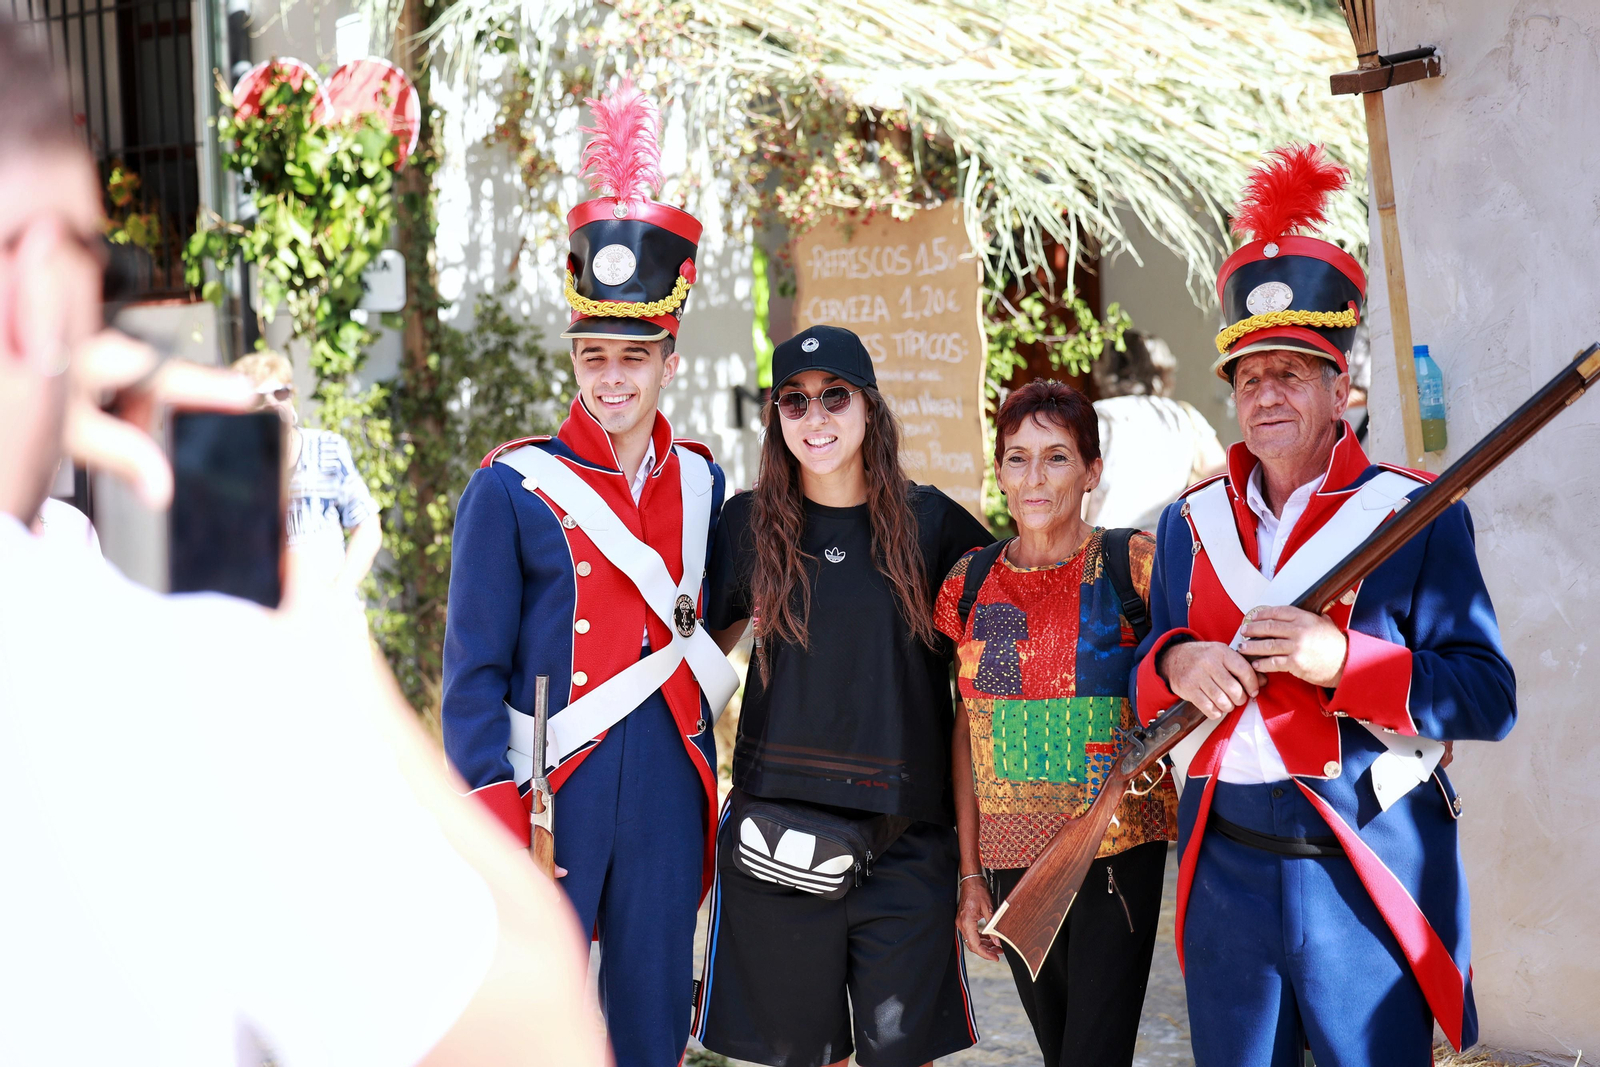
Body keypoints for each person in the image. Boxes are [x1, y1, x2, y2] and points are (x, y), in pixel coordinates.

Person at [0, 20, 604, 1066]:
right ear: (45, 280)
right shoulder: (144, 676)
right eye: (103, 263)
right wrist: (310, 627)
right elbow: (537, 1020)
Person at [1132, 144, 1515, 1067]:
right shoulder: (1189, 522)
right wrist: (1179, 659)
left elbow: (1486, 694)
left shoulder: (1415, 514)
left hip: (1364, 866)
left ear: (1339, 389)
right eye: (1250, 375)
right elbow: (1151, 658)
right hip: (1225, 866)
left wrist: (1341, 662)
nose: (1267, 393)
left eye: (1292, 373)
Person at [440, 78, 737, 1067]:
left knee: (651, 1016)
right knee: (544, 1020)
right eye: (593, 355)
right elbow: (472, 674)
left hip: (666, 775)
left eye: (632, 358)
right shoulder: (513, 485)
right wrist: (490, 818)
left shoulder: (701, 478)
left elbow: (712, 615)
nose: (611, 378)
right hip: (551, 784)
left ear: (669, 360)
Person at [694, 324, 992, 1067]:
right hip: (777, 839)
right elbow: (689, 670)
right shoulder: (746, 524)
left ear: (869, 407)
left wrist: (980, 862)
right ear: (776, 418)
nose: (815, 417)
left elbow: (997, 682)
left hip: (905, 842)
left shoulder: (935, 527)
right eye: (794, 401)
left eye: (834, 396)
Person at [936, 378, 1178, 1067]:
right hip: (1014, 858)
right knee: (1058, 1050)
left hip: (1114, 851)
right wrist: (971, 875)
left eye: (1057, 456)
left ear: (1092, 471)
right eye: (1017, 457)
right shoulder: (973, 583)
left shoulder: (1134, 565)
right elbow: (973, 731)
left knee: (1093, 1054)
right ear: (1000, 471)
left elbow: (1185, 687)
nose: (1034, 477)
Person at [231, 349, 382, 601]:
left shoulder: (328, 449)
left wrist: (339, 593)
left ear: (292, 397)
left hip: (330, 615)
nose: (273, 404)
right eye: (260, 399)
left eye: (280, 392)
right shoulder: (235, 468)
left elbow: (367, 527)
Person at [1085, 330, 1226, 529]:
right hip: (1165, 551)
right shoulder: (1183, 415)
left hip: (1103, 550)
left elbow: (1075, 496)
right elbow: (1222, 482)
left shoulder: (1092, 417)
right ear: (1163, 372)